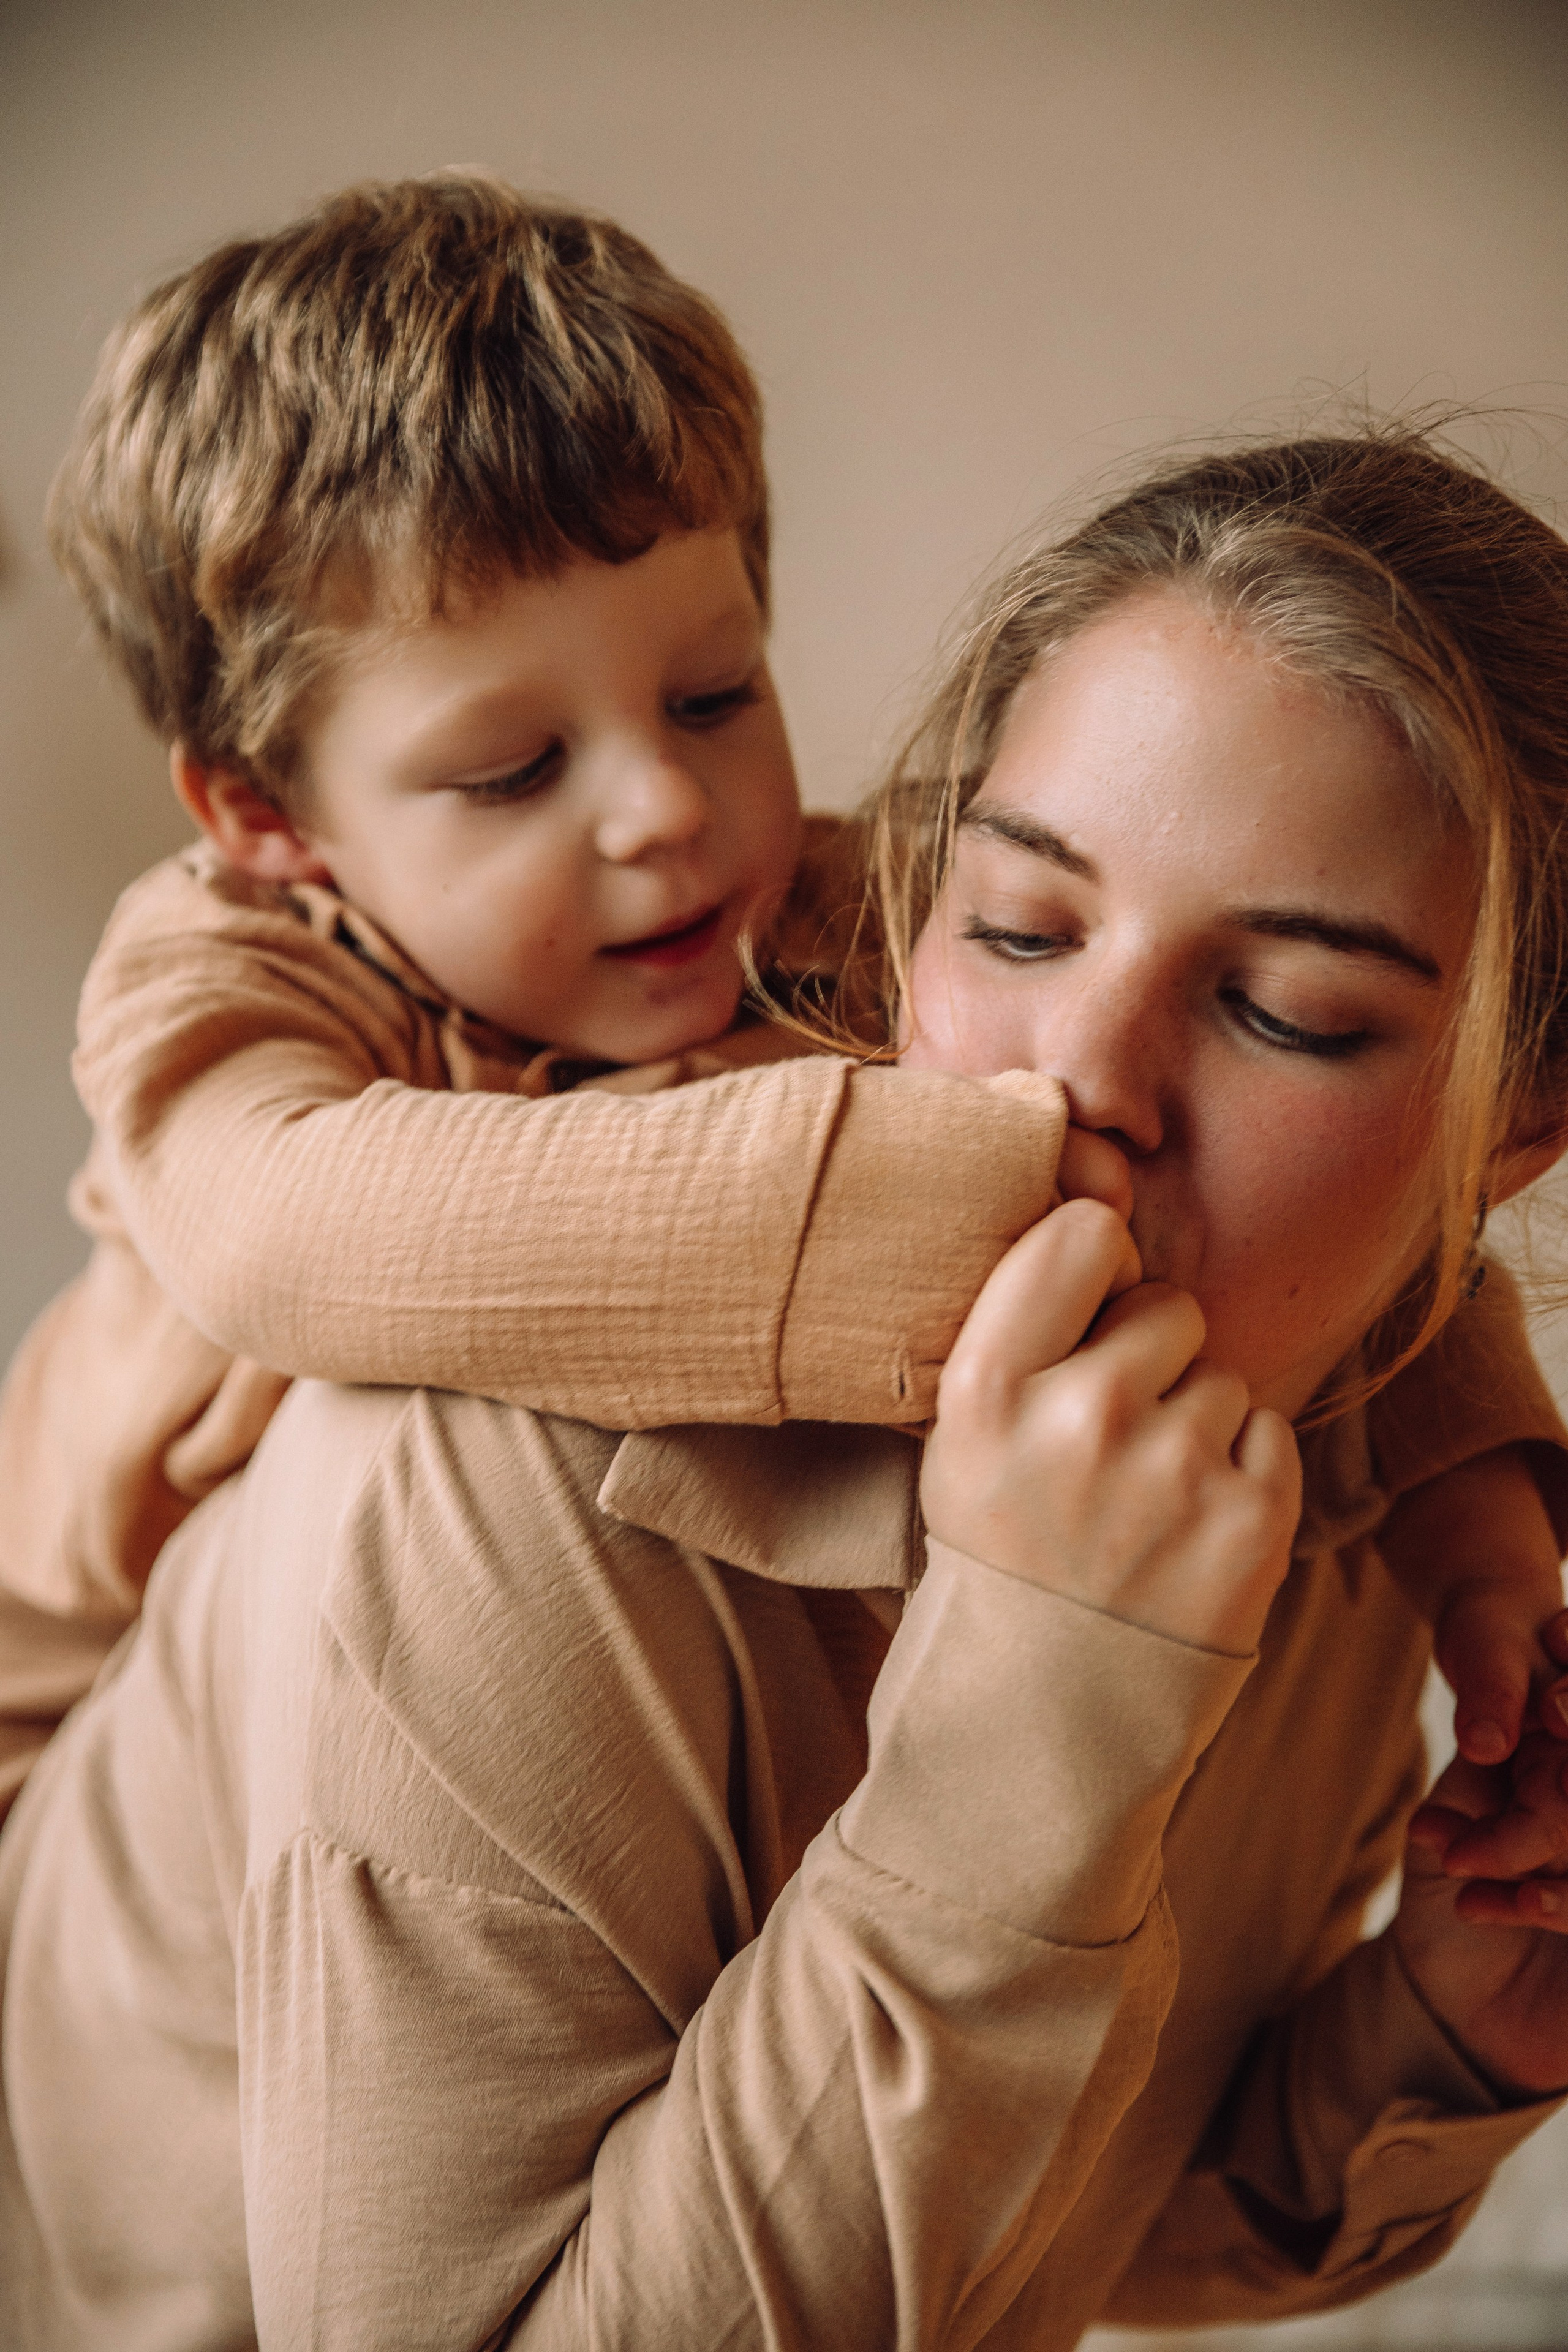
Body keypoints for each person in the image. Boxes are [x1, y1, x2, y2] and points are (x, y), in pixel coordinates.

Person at [4, 429, 1568, 2350]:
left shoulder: (1322, 1493)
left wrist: (1443, 2021)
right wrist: (1034, 1724)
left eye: (1289, 1016)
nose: (1074, 1082)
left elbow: (1061, 2224)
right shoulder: (475, 1475)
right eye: (1016, 926)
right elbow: (267, 1228)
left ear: (1514, 1136)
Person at [1, 176, 1564, 1833]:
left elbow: (1358, 1200)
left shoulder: (851, 912)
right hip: (71, 1803)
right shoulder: (222, 977)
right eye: (513, 769)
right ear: (267, 818)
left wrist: (1468, 1507)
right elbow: (281, 1241)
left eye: (713, 696)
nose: (661, 809)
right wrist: (970, 1184)